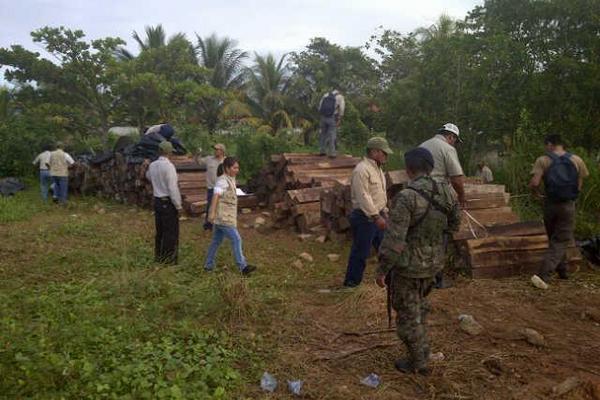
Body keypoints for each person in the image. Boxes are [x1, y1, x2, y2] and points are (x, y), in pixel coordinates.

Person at [376, 147, 460, 375]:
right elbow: (454, 226)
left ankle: (419, 362)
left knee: (406, 317)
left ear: (408, 169)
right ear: (431, 167)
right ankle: (422, 350)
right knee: (418, 306)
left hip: (408, 268)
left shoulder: (407, 197)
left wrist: (381, 270)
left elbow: (394, 240)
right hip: (433, 265)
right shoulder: (447, 192)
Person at [529, 134, 589, 283]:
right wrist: (571, 197)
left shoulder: (543, 160)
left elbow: (535, 183)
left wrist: (537, 195)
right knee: (561, 240)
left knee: (555, 239)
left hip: (550, 204)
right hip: (568, 205)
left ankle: (558, 271)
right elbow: (579, 185)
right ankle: (547, 273)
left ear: (550, 144)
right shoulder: (577, 160)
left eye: (546, 145)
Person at [419, 123, 465, 288]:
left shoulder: (422, 146)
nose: (454, 144)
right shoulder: (447, 148)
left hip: (417, 196)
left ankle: (420, 276)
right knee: (441, 239)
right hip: (437, 199)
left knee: (421, 239)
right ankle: (437, 280)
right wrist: (461, 197)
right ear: (451, 136)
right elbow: (457, 179)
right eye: (455, 140)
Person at [343, 137, 393, 288]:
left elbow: (380, 194)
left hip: (378, 215)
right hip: (365, 217)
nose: (386, 156)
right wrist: (376, 216)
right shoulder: (362, 170)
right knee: (361, 252)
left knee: (385, 250)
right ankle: (351, 283)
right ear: (374, 151)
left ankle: (390, 281)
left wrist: (385, 212)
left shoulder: (377, 169)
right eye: (383, 152)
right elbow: (364, 196)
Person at [204, 157, 257, 275]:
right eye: (234, 168)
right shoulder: (222, 181)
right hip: (223, 217)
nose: (237, 170)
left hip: (225, 216)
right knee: (236, 239)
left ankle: (208, 265)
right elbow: (216, 196)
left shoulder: (230, 179)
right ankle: (242, 266)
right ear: (227, 168)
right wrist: (211, 212)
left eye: (238, 167)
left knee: (216, 241)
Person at [146, 141, 183, 264]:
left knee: (160, 231)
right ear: (169, 152)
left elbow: (148, 177)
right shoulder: (169, 166)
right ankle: (169, 260)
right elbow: (172, 188)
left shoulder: (152, 165)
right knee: (171, 232)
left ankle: (159, 257)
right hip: (167, 202)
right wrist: (178, 205)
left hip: (157, 201)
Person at [197, 143, 226, 231]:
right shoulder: (209, 159)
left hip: (222, 188)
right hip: (211, 188)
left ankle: (221, 225)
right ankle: (208, 225)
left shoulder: (226, 161)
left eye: (217, 149)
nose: (215, 151)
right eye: (215, 149)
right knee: (210, 206)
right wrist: (198, 153)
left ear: (222, 151)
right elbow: (199, 161)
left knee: (221, 207)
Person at [318, 89, 345, 158]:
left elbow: (320, 107)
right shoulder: (340, 97)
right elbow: (342, 108)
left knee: (322, 134)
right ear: (339, 91)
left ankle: (322, 151)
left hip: (323, 117)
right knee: (332, 134)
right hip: (332, 117)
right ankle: (332, 153)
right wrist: (339, 119)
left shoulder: (325, 95)